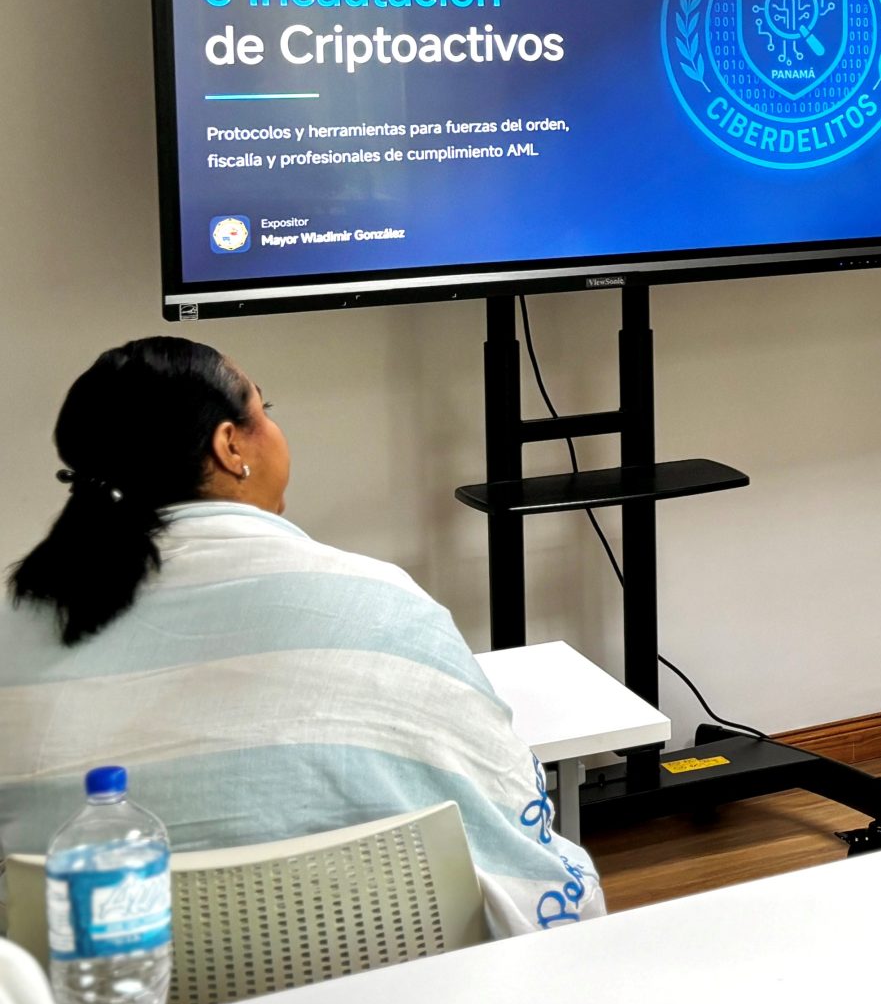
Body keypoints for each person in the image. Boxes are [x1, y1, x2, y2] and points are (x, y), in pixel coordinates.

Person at [0, 338, 600, 937]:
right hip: (380, 982)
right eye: (264, 409)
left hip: (98, 990)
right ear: (230, 446)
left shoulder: (13, 624)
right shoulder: (382, 604)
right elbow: (506, 829)